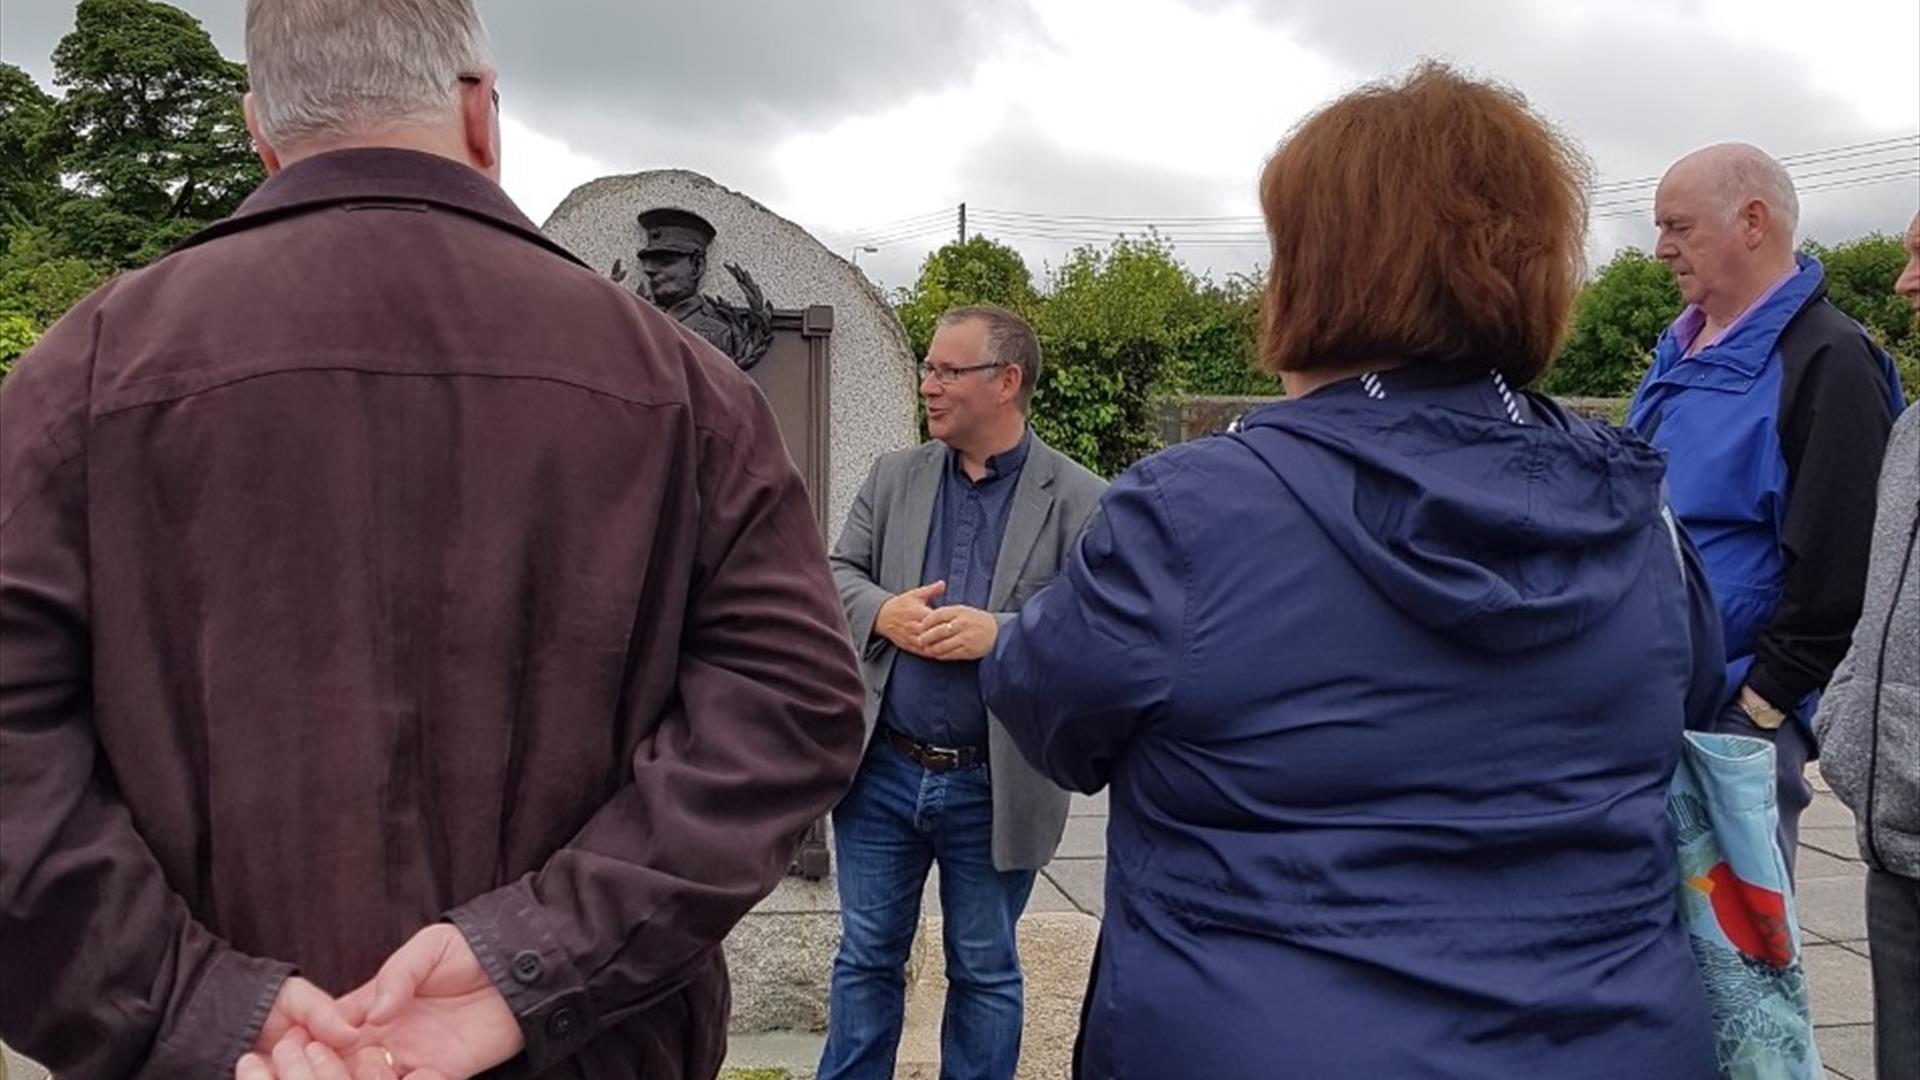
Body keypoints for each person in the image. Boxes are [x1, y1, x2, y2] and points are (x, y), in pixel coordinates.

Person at [0, 1, 867, 1078]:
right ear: (478, 112)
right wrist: (539, 958)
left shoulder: (80, 376)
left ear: (260, 127)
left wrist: (196, 1006)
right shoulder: (683, 388)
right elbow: (793, 708)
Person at [982, 64, 1721, 1078]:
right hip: (1615, 1039)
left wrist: (1016, 631)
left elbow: (1054, 715)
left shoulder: (1191, 515)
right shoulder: (1640, 511)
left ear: (1318, 272)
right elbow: (1693, 698)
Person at [820, 306, 1106, 1080]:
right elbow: (833, 573)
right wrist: (885, 611)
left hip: (997, 781)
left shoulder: (1082, 500)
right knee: (865, 960)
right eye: (928, 368)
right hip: (882, 772)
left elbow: (1103, 629)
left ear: (1006, 382)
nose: (929, 385)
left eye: (948, 371)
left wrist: (1004, 634)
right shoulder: (893, 477)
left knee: (983, 970)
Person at [1627, 144, 1905, 866]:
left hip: (1732, 719)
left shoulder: (1829, 359)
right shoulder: (1678, 348)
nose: (1661, 250)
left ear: (1752, 221)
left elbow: (1846, 560)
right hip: (1648, 702)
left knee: (1734, 965)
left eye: (1678, 227)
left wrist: (1760, 706)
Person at [1814, 209, 1920, 1080]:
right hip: (1892, 848)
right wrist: (1849, 724)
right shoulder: (1913, 432)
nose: (1903, 283)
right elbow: (1873, 606)